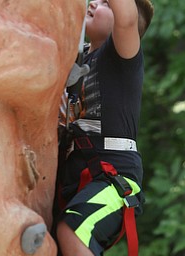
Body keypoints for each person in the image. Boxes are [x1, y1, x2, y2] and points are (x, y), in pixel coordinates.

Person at [53, 0, 154, 255]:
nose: (94, 2)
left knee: (73, 231)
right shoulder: (77, 60)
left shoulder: (121, 56)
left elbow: (127, 19)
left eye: (106, 3)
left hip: (113, 177)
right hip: (75, 177)